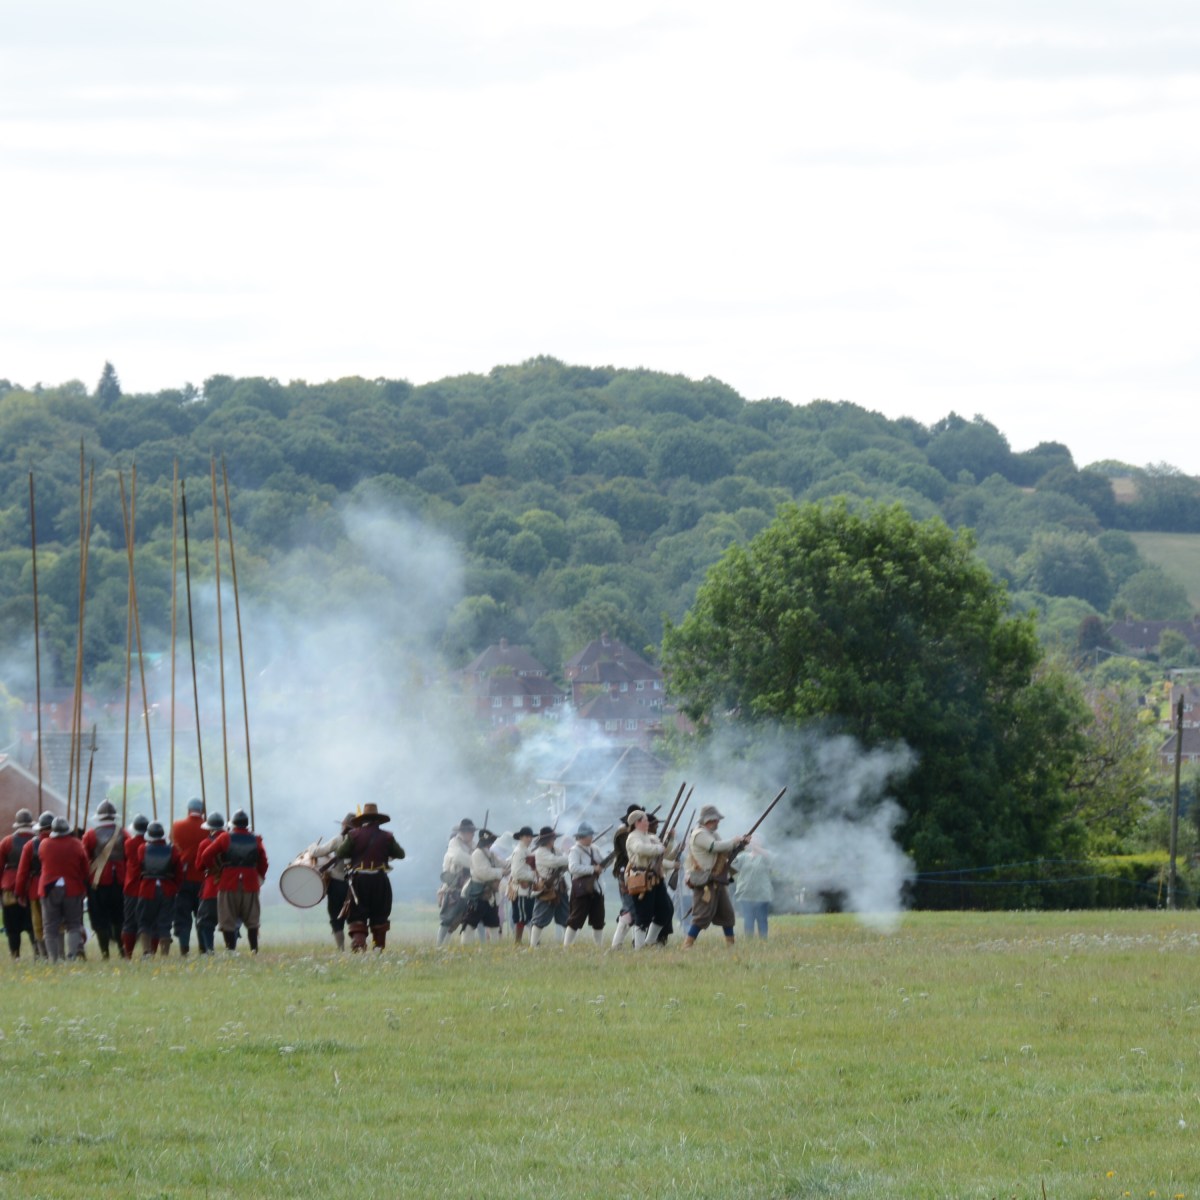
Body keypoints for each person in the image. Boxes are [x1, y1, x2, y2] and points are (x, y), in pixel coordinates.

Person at [333, 803, 405, 951]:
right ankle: (378, 947)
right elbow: (400, 854)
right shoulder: (387, 836)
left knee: (357, 913)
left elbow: (340, 853)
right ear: (377, 820)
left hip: (359, 879)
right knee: (380, 913)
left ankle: (359, 946)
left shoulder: (353, 835)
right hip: (380, 880)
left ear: (362, 820)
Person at [199, 808, 268, 953]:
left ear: (233, 824)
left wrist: (216, 869)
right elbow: (263, 861)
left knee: (228, 918)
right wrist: (259, 876)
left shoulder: (225, 838)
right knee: (252, 919)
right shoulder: (256, 839)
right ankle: (254, 949)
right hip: (250, 881)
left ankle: (231, 950)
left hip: (228, 881)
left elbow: (206, 855)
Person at [683, 804, 748, 948]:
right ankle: (687, 945)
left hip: (717, 879)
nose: (718, 822)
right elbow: (714, 847)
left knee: (727, 915)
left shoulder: (713, 834)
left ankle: (731, 946)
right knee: (701, 916)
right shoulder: (699, 834)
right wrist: (734, 841)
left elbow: (724, 851)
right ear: (709, 820)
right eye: (716, 819)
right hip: (704, 880)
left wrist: (741, 845)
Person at [31, 817, 91, 962]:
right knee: (73, 924)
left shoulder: (44, 844)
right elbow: (85, 869)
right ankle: (71, 957)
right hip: (72, 888)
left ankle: (54, 959)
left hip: (49, 888)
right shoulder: (76, 844)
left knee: (50, 926)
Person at [623, 809, 676, 949]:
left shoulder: (649, 836)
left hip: (656, 878)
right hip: (641, 878)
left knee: (665, 910)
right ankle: (639, 948)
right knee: (643, 915)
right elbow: (640, 849)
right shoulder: (633, 837)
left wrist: (669, 839)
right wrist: (657, 849)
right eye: (645, 819)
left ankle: (649, 941)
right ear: (637, 822)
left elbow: (664, 852)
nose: (648, 822)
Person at [82, 799, 128, 959]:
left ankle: (105, 953)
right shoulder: (123, 833)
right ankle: (123, 951)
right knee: (119, 917)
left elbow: (84, 857)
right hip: (120, 881)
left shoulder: (90, 834)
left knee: (100, 918)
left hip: (97, 882)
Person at [304, 812, 355, 951]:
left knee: (335, 917)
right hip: (355, 884)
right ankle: (358, 947)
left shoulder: (338, 840)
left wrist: (312, 846)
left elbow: (317, 852)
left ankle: (341, 950)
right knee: (355, 917)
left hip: (338, 884)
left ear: (344, 825)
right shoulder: (360, 840)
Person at [15, 811, 61, 959]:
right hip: (58, 886)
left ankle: (45, 955)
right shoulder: (63, 841)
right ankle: (60, 954)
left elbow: (22, 872)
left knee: (38, 924)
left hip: (36, 888)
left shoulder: (30, 845)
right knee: (58, 922)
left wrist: (19, 892)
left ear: (40, 828)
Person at [134, 821, 183, 956]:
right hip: (167, 888)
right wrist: (175, 887)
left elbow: (139, 867)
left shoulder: (142, 849)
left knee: (144, 921)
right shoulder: (172, 850)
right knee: (165, 922)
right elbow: (179, 873)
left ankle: (146, 952)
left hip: (147, 888)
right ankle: (164, 954)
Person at [170, 798, 207, 956]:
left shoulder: (176, 826)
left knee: (183, 916)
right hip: (203, 879)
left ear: (188, 810)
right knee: (203, 916)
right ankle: (203, 948)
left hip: (183, 879)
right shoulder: (208, 828)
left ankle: (184, 948)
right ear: (202, 811)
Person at [461, 827, 508, 944]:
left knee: (494, 922)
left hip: (490, 895)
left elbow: (503, 863)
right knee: (470, 923)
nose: (490, 844)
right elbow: (483, 873)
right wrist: (501, 872)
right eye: (489, 842)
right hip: (479, 893)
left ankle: (495, 948)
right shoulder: (477, 854)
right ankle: (465, 947)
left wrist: (515, 861)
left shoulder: (490, 854)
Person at [1, 809, 37, 959]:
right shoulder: (38, 840)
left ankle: (15, 955)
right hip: (32, 887)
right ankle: (38, 953)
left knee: (12, 927)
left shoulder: (6, 842)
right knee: (33, 924)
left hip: (10, 888)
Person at [565, 820, 605, 947]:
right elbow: (573, 868)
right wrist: (593, 869)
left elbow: (601, 863)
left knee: (598, 918)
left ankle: (599, 946)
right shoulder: (575, 850)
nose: (591, 837)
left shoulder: (595, 848)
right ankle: (566, 946)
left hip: (595, 887)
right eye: (589, 835)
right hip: (581, 889)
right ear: (582, 836)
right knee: (575, 919)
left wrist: (601, 866)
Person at [436, 818, 475, 948]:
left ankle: (445, 946)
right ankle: (439, 947)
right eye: (469, 831)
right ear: (463, 832)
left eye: (472, 831)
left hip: (467, 887)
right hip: (453, 887)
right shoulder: (454, 843)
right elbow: (460, 858)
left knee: (459, 920)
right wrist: (477, 862)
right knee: (447, 919)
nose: (471, 834)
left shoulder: (472, 844)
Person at [528, 826, 569, 948]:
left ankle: (568, 945)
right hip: (546, 888)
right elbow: (555, 862)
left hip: (559, 888)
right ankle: (533, 945)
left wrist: (567, 860)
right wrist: (569, 858)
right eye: (552, 838)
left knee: (566, 918)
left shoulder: (556, 850)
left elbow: (565, 865)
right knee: (539, 919)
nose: (554, 840)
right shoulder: (540, 852)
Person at [608, 804, 640, 951]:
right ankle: (616, 945)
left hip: (634, 873)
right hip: (624, 873)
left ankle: (636, 942)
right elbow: (632, 853)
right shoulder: (623, 833)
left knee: (636, 907)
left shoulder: (633, 833)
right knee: (630, 908)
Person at [120, 814, 150, 959]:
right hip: (146, 886)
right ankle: (149, 952)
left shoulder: (129, 843)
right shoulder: (150, 844)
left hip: (132, 886)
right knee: (148, 921)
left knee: (130, 922)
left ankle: (128, 954)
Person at [195, 811, 225, 955]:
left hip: (212, 886)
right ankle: (231, 948)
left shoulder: (205, 843)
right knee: (230, 920)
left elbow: (199, 866)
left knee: (206, 921)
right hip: (229, 884)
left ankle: (209, 950)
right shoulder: (229, 840)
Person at [733, 839, 773, 939]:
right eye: (752, 841)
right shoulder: (743, 856)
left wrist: (755, 847)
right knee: (748, 919)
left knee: (762, 919)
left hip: (762, 893)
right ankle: (749, 940)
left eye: (756, 840)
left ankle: (763, 940)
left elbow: (770, 857)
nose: (754, 842)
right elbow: (732, 863)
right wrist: (737, 848)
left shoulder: (765, 855)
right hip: (745, 893)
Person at [507, 826, 537, 945]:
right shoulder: (519, 851)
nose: (529, 839)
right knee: (521, 918)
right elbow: (517, 872)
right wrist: (534, 875)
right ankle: (517, 942)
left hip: (527, 889)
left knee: (528, 917)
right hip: (520, 889)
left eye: (530, 837)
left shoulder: (526, 850)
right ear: (521, 837)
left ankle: (533, 941)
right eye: (526, 836)